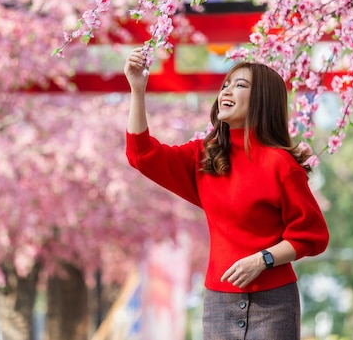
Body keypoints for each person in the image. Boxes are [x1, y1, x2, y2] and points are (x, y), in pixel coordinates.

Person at [123, 47, 330, 340]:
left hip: (274, 304)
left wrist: (262, 260)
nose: (226, 91)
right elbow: (141, 155)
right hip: (219, 303)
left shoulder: (280, 164)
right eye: (225, 85)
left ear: (262, 100)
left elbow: (312, 236)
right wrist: (137, 90)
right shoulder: (204, 158)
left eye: (240, 85)